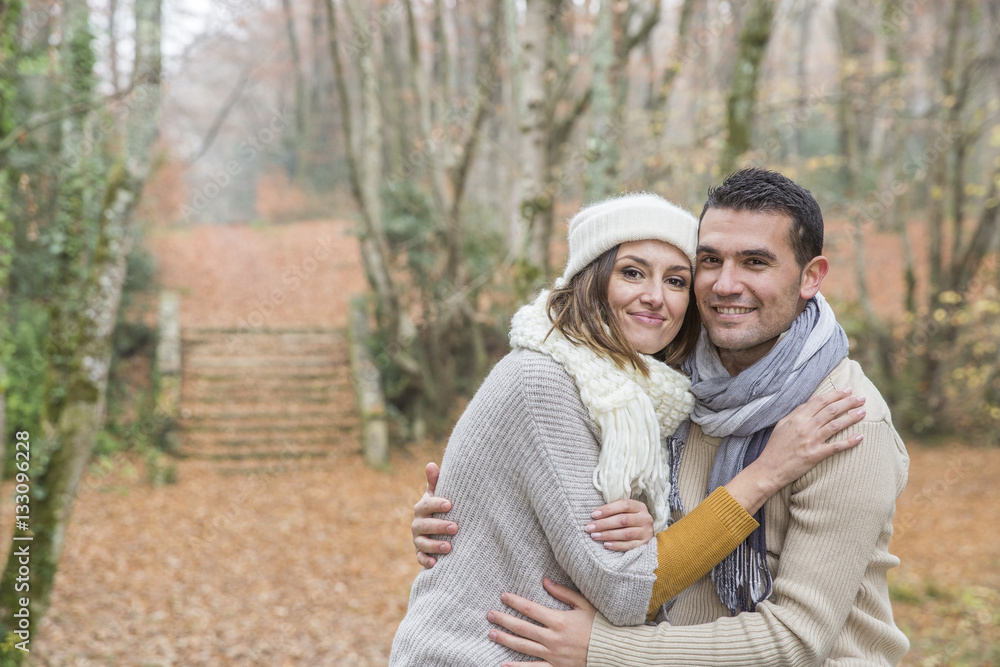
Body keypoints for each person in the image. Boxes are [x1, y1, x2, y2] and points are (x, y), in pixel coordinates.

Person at [397, 190, 867, 665]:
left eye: (677, 280)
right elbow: (625, 586)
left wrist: (651, 524)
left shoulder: (653, 390)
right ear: (590, 278)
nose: (655, 296)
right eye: (632, 272)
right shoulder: (544, 379)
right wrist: (764, 474)